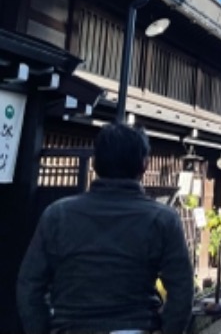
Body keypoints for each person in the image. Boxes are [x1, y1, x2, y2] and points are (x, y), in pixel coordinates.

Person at [16, 122, 194, 334]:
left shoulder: (57, 215)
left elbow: (29, 286)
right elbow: (182, 289)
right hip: (135, 326)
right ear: (144, 165)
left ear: (95, 163)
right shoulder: (163, 219)